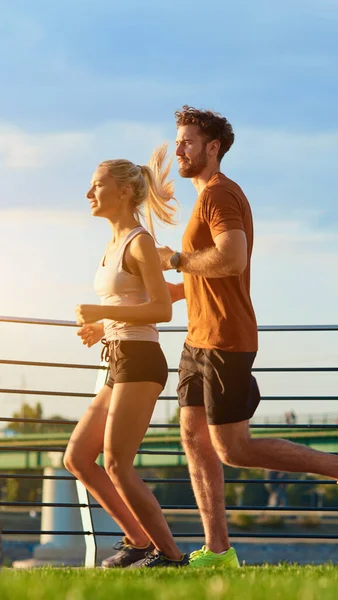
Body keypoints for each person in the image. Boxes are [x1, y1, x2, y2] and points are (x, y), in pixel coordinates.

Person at [158, 106, 338, 568]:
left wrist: (177, 261)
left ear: (212, 148)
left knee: (232, 450)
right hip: (196, 339)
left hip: (225, 340)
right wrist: (167, 291)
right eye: (177, 141)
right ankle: (218, 552)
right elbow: (206, 274)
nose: (178, 148)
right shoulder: (203, 200)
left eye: (187, 141)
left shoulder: (221, 194)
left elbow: (231, 260)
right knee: (194, 441)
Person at [64, 145, 188, 569]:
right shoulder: (114, 243)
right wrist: (103, 327)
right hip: (118, 355)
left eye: (97, 186)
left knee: (117, 463)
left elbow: (161, 310)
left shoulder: (140, 243)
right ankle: (137, 541)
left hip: (140, 359)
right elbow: (131, 300)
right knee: (78, 457)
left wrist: (103, 312)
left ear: (122, 192)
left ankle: (170, 557)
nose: (88, 194)